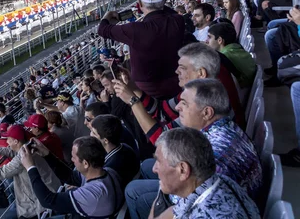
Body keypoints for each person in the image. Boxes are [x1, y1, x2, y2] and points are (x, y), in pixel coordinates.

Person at [123, 79, 261, 219]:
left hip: (220, 203)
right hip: (223, 198)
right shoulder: (221, 128)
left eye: (185, 103)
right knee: (148, 166)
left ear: (207, 112)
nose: (178, 107)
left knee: (134, 191)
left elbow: (180, 197)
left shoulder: (218, 155)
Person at [97, 0, 184, 98]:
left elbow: (102, 29)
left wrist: (108, 15)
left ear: (139, 4)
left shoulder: (135, 30)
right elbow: (168, 11)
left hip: (147, 91)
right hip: (176, 83)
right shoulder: (177, 21)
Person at [151, 128, 260, 219]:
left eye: (159, 161)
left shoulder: (205, 215)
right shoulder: (220, 181)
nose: (154, 169)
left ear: (183, 170)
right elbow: (176, 210)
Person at [21, 136, 124, 219]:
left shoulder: (91, 195)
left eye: (74, 157)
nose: (71, 159)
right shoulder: (106, 172)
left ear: (85, 163)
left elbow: (47, 200)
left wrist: (30, 167)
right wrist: (46, 154)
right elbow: (70, 177)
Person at [0, 124, 61, 219]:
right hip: (50, 193)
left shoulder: (22, 157)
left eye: (8, 139)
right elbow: (13, 151)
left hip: (39, 206)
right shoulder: (29, 146)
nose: (6, 142)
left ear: (16, 141)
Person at [90, 115, 139, 187]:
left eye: (94, 133)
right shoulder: (125, 146)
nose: (90, 135)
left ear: (106, 140)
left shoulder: (110, 167)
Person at [207, 22, 257, 89]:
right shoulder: (235, 48)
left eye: (209, 37)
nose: (206, 41)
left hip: (242, 90)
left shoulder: (226, 55)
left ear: (219, 40)